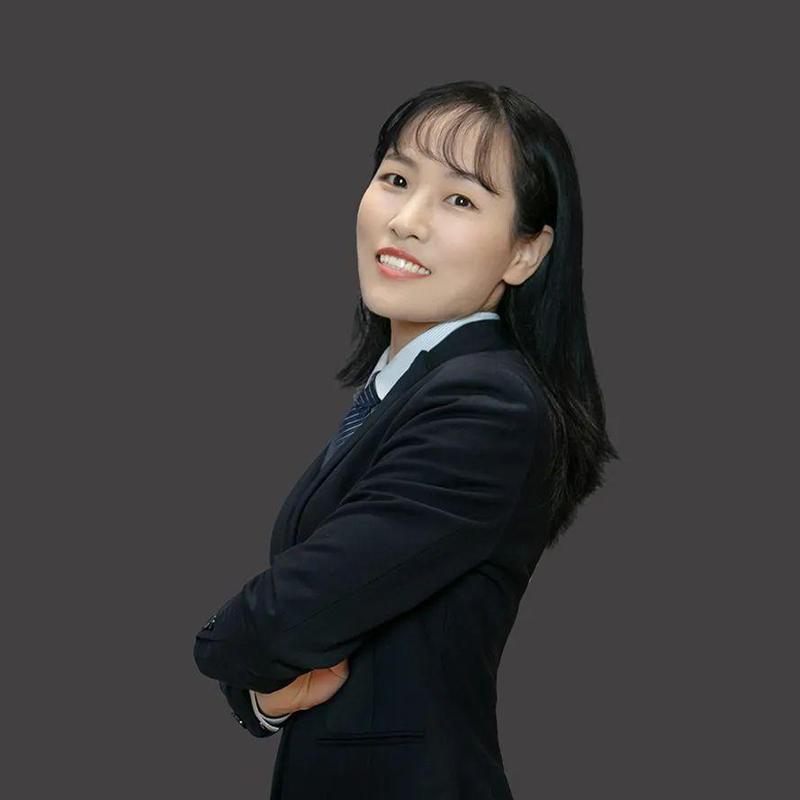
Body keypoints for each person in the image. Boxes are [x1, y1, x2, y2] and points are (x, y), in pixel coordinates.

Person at [193, 79, 619, 799]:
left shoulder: (486, 405)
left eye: (460, 200)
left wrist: (225, 644)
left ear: (525, 253)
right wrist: (265, 697)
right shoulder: (409, 388)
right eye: (396, 179)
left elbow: (280, 621)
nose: (407, 220)